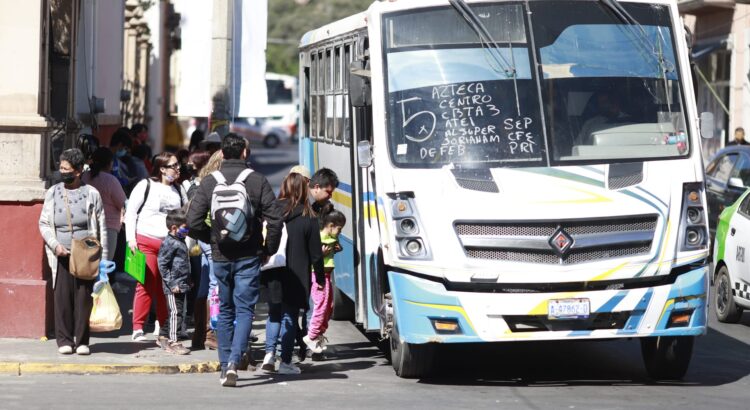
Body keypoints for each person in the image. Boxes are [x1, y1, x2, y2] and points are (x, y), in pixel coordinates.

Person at [187, 133, 283, 387]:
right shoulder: (257, 181)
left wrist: (212, 238)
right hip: (250, 254)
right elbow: (275, 219)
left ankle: (224, 365)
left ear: (222, 153)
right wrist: (268, 248)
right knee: (245, 310)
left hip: (220, 255)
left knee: (225, 309)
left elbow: (192, 221)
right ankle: (234, 363)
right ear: (244, 153)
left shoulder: (209, 182)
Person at [39, 148, 108, 355]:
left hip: (85, 255)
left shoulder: (92, 194)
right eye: (60, 168)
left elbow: (102, 227)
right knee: (62, 299)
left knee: (84, 298)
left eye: (66, 169)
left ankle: (83, 340)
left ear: (78, 171)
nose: (62, 172)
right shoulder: (53, 192)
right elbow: (43, 223)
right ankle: (64, 340)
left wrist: (103, 260)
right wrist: (54, 244)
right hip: (60, 253)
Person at [262, 172, 325, 375]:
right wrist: (321, 279)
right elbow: (316, 255)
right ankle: (286, 361)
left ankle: (269, 354)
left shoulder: (273, 211)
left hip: (273, 270)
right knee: (289, 317)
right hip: (296, 275)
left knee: (273, 315)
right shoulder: (309, 218)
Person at [124, 152, 187, 342]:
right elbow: (131, 213)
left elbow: (184, 217)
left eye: (178, 166)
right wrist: (130, 240)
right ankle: (138, 327)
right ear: (161, 169)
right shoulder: (146, 185)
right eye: (173, 166)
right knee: (145, 284)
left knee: (167, 287)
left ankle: (163, 325)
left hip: (171, 245)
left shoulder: (179, 190)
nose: (177, 169)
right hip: (145, 241)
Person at [303, 204, 346, 354]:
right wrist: (320, 254)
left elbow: (334, 247)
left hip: (326, 275)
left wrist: (337, 248)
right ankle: (312, 336)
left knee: (329, 307)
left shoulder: (331, 238)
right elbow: (311, 256)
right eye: (339, 229)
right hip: (317, 275)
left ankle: (319, 333)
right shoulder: (319, 237)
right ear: (331, 225)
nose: (339, 233)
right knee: (320, 306)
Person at [195, 150, 224, 350]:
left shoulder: (204, 181)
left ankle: (200, 332)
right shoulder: (219, 183)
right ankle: (211, 332)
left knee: (205, 285)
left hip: (204, 238)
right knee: (215, 286)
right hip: (213, 237)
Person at [81, 147, 126, 263]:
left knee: (86, 264)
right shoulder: (111, 180)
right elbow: (123, 203)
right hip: (107, 227)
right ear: (110, 163)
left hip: (84, 225)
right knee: (104, 265)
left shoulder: (83, 177)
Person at [157, 208, 192, 355]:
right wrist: (172, 283)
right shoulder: (170, 242)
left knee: (178, 312)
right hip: (173, 286)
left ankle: (163, 335)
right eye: (185, 228)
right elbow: (162, 264)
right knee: (175, 313)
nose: (187, 230)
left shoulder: (180, 240)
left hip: (182, 284)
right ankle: (173, 341)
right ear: (174, 228)